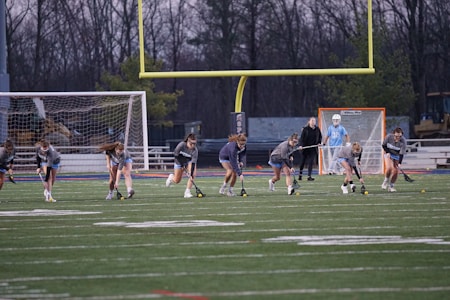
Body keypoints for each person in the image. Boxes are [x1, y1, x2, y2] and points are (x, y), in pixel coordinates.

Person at [165, 133, 199, 198]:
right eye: (191, 143)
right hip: (178, 162)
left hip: (188, 162)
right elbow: (175, 154)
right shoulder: (181, 145)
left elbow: (193, 163)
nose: (193, 145)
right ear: (187, 141)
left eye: (194, 144)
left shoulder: (195, 151)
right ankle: (171, 177)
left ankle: (187, 192)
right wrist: (182, 164)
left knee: (193, 175)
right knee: (177, 180)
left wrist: (191, 174)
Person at [381, 127, 407, 192]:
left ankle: (391, 186)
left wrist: (400, 163)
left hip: (397, 155)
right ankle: (386, 181)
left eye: (400, 136)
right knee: (389, 168)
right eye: (396, 136)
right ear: (393, 134)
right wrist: (387, 152)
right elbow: (384, 145)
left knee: (395, 171)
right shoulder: (389, 137)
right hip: (388, 153)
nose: (398, 138)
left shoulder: (403, 141)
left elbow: (401, 153)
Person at [298, 117, 323, 181]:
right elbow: (302, 138)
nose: (313, 122)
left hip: (312, 148)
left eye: (314, 121)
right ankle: (300, 175)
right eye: (312, 120)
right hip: (305, 148)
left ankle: (309, 176)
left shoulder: (317, 129)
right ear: (309, 121)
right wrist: (301, 145)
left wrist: (319, 143)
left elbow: (320, 137)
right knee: (302, 162)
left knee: (311, 162)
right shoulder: (305, 129)